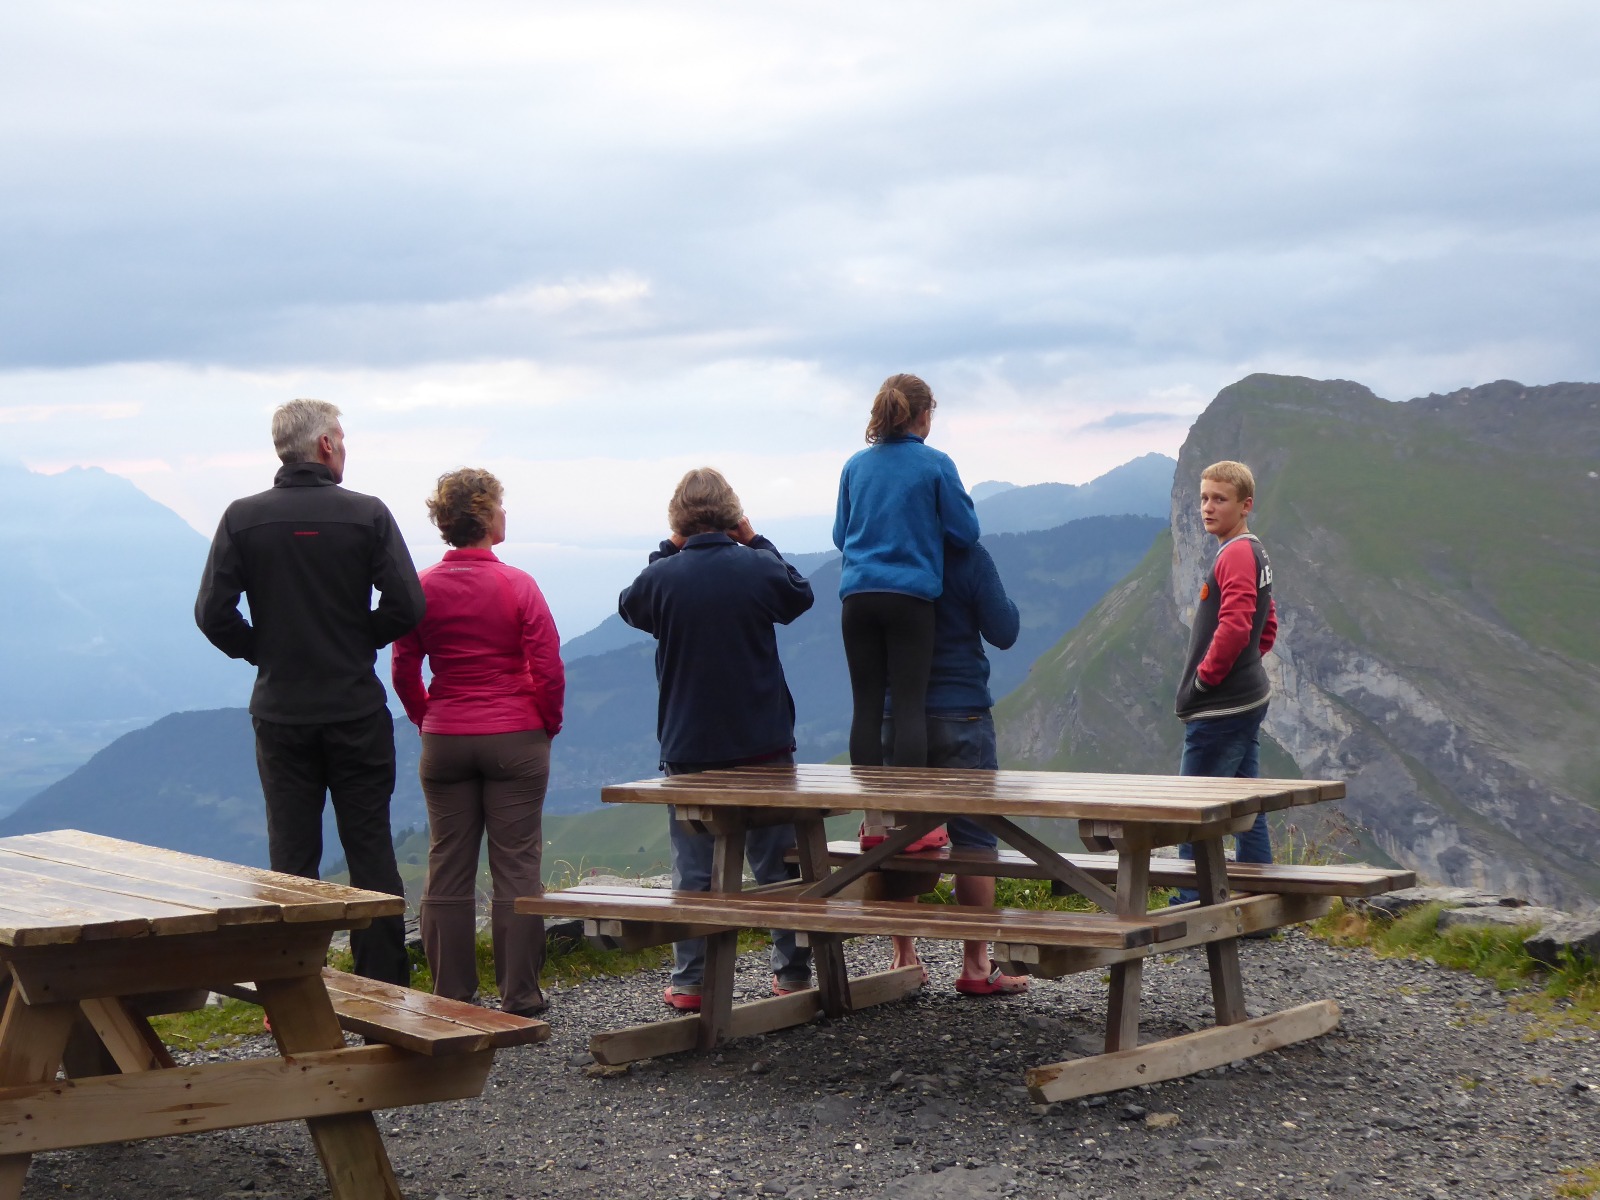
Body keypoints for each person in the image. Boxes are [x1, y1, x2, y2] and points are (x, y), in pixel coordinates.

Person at [195, 399, 424, 985]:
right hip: (354, 708)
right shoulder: (367, 514)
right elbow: (406, 605)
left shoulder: (242, 518)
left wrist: (262, 650)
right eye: (341, 438)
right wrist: (357, 640)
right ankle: (383, 987)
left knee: (292, 858)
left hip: (281, 712)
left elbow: (212, 613)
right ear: (325, 445)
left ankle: (292, 988)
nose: (344, 448)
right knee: (370, 849)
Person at [618, 468, 815, 1011]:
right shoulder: (757, 567)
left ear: (678, 521)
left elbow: (631, 605)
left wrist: (668, 549)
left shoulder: (663, 578)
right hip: (763, 740)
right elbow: (799, 595)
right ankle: (793, 975)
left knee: (694, 869)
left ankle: (691, 982)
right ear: (733, 514)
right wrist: (756, 540)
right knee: (777, 866)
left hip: (691, 746)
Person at [391, 468, 564, 1018]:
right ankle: (521, 995)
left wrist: (427, 718)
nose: (505, 514)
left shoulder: (420, 586)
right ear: (486, 515)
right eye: (500, 506)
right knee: (517, 865)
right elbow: (548, 666)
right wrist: (546, 722)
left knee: (448, 862)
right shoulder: (518, 585)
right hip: (515, 733)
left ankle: (451, 995)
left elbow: (403, 667)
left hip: (446, 735)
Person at [878, 541, 1030, 995]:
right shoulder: (967, 555)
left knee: (903, 838)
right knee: (975, 839)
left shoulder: (884, 553)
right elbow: (1004, 630)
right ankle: (976, 965)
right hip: (960, 710)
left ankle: (903, 957)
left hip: (895, 712)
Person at [834, 373, 980, 813]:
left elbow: (842, 535)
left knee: (865, 707)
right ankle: (907, 818)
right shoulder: (936, 464)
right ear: (923, 415)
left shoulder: (855, 466)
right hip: (910, 599)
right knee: (909, 707)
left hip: (857, 598)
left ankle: (874, 817)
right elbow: (965, 532)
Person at [1171, 459, 1278, 905]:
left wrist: (1205, 681)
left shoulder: (1234, 554)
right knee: (1246, 801)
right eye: (1203, 498)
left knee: (1194, 808)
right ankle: (1259, 895)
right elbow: (1267, 625)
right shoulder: (1254, 550)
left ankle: (1191, 905)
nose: (1207, 508)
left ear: (1245, 505)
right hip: (1247, 698)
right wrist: (1248, 665)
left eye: (1220, 499)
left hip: (1221, 707)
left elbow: (1236, 626)